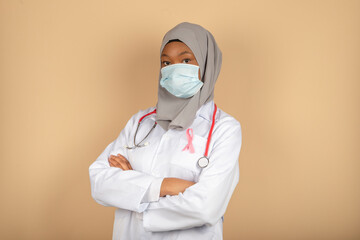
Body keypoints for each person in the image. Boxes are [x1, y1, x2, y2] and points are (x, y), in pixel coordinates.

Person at [89, 22, 242, 240]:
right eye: (166, 62)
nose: (174, 68)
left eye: (186, 60)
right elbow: (99, 181)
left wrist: (134, 194)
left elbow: (206, 206)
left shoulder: (224, 128)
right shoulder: (140, 122)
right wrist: (166, 186)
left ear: (207, 63)